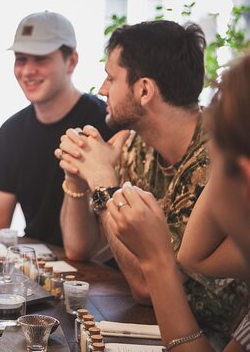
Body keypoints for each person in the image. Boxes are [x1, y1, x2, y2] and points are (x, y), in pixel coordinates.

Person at [58, 20, 247, 340]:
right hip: (150, 326)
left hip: (214, 338)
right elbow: (78, 249)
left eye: (110, 77)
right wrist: (77, 178)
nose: (102, 89)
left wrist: (105, 185)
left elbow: (148, 285)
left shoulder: (218, 161)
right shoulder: (134, 146)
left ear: (144, 90)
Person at [107, 54, 250, 351]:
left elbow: (175, 265)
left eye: (215, 144)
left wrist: (156, 257)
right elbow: (194, 257)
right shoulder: (135, 147)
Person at [0, 11, 113, 246]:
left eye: (40, 59)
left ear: (71, 61)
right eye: (21, 59)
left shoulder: (104, 122)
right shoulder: (10, 132)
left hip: (99, 271)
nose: (27, 71)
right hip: (35, 266)